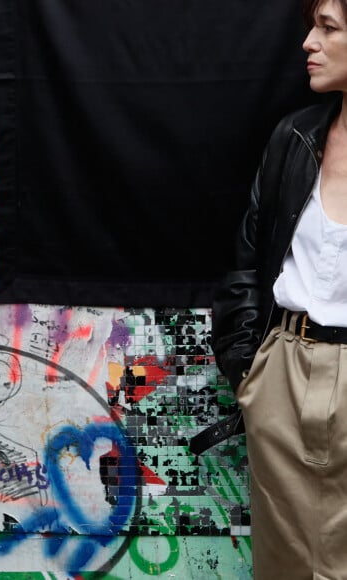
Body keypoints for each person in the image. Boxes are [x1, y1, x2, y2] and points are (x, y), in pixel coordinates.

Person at [210, 0, 347, 577]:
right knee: (286, 564)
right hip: (284, 376)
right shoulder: (296, 137)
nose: (308, 43)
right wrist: (251, 373)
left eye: (329, 28)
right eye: (311, 25)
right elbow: (247, 261)